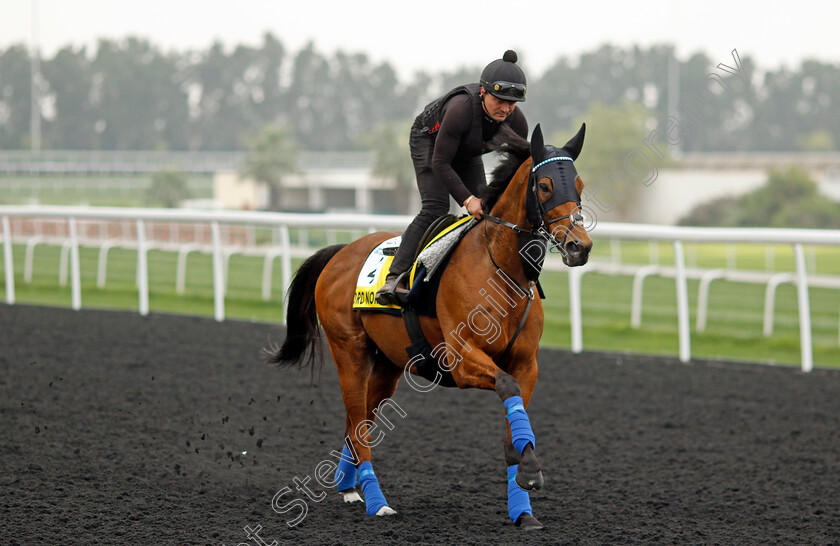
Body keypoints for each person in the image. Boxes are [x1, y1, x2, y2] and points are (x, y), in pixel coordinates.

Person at [375, 50, 529, 305]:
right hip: (430, 142)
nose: (505, 109)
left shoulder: (517, 122)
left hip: (466, 151)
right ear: (483, 92)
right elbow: (441, 162)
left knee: (488, 209)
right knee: (436, 207)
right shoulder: (461, 110)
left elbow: (518, 170)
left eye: (511, 104)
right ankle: (394, 277)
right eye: (499, 101)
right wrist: (467, 199)